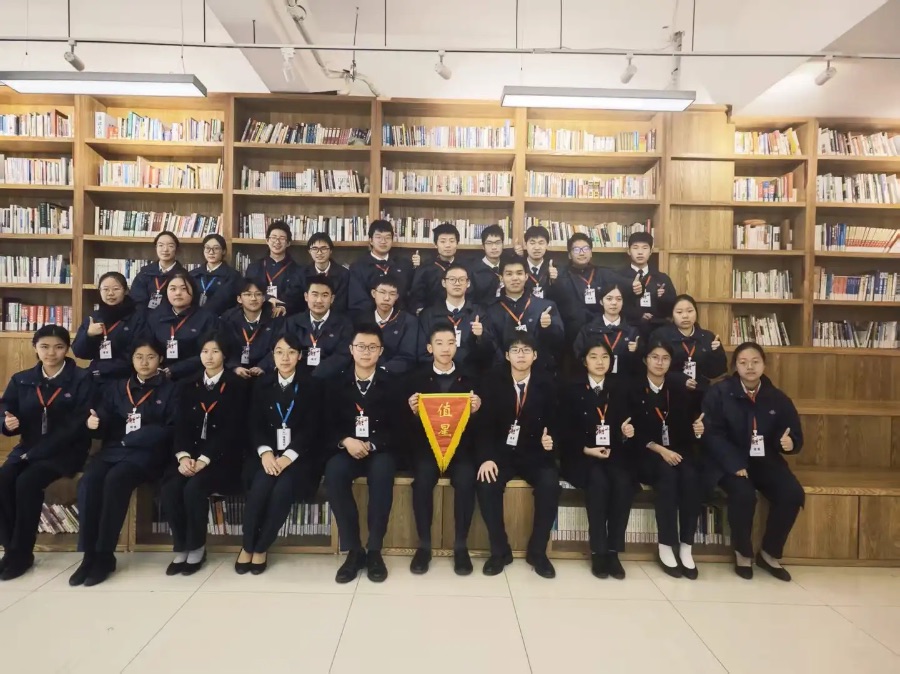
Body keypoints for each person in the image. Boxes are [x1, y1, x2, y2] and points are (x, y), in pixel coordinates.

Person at [70, 339, 179, 587]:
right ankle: (88, 555)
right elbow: (104, 418)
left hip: (148, 454)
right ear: (132, 359)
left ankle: (105, 555)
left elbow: (171, 428)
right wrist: (94, 424)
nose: (144, 362)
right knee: (89, 482)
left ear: (161, 359)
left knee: (115, 480)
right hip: (113, 450)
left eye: (150, 357)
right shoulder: (117, 387)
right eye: (139, 357)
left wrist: (134, 439)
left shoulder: (172, 389)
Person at [702, 342, 804, 582]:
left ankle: (769, 553)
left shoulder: (777, 397)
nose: (749, 367)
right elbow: (711, 433)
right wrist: (733, 463)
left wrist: (789, 443)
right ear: (735, 366)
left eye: (755, 362)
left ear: (764, 365)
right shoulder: (719, 393)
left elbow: (792, 433)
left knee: (792, 493)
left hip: (764, 459)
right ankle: (743, 553)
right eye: (743, 362)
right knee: (743, 494)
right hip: (729, 460)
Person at [0, 326, 93, 580]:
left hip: (66, 451)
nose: (51, 353)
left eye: (58, 347)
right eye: (44, 347)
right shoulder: (22, 379)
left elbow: (76, 424)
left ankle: (22, 553)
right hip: (28, 448)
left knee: (27, 482)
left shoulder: (82, 379)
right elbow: (6, 408)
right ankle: (10, 549)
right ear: (35, 348)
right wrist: (7, 423)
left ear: (67, 349)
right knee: (4, 479)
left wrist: (37, 453)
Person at [161, 332, 247, 576]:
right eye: (205, 351)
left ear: (225, 355)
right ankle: (181, 547)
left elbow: (233, 429)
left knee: (194, 488)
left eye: (215, 351)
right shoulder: (188, 384)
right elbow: (181, 425)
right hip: (191, 456)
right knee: (170, 488)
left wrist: (204, 459)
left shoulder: (237, 385)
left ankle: (197, 547)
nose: (209, 356)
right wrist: (183, 456)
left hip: (223, 458)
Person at [236, 334, 323, 575]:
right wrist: (265, 453)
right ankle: (247, 545)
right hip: (267, 455)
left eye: (291, 352)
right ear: (272, 356)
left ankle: (261, 547)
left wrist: (288, 456)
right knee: (260, 487)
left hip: (299, 457)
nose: (285, 358)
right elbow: (254, 423)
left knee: (282, 490)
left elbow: (312, 428)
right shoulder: (261, 384)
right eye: (279, 352)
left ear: (300, 356)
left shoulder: (312, 385)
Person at [475, 334, 560, 579]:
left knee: (550, 485)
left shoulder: (548, 384)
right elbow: (483, 426)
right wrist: (486, 457)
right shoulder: (492, 382)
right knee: (486, 482)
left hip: (535, 453)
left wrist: (551, 441)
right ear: (507, 355)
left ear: (535, 355)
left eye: (526, 350)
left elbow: (558, 423)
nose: (521, 355)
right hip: (501, 453)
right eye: (515, 350)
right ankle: (499, 550)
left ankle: (538, 552)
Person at [323, 326, 399, 584]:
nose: (366, 352)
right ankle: (354, 550)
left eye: (372, 347)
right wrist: (346, 441)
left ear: (381, 351)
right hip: (347, 447)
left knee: (383, 472)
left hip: (380, 449)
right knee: (334, 472)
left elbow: (400, 427)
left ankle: (374, 550)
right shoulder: (335, 382)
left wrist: (373, 444)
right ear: (351, 349)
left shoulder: (393, 383)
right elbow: (326, 423)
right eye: (361, 347)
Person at [405, 322, 481, 576]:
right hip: (427, 449)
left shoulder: (470, 378)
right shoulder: (416, 378)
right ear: (430, 348)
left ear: (456, 346)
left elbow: (484, 423)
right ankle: (424, 546)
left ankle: (461, 546)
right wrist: (412, 411)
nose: (445, 348)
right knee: (422, 482)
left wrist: (477, 409)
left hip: (461, 449)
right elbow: (403, 424)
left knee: (467, 480)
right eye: (439, 343)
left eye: (450, 343)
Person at [559, 339, 636, 580]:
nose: (600, 362)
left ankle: (613, 551)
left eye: (604, 357)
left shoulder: (620, 387)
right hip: (581, 456)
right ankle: (598, 551)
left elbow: (628, 423)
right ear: (584, 361)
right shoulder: (571, 388)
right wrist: (585, 449)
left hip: (613, 454)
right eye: (593, 356)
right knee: (598, 483)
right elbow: (564, 429)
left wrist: (626, 433)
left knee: (624, 484)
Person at [632, 340, 706, 580]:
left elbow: (686, 428)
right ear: (645, 360)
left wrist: (697, 430)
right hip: (645, 452)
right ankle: (666, 544)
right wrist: (660, 450)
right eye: (654, 357)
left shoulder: (678, 389)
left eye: (665, 358)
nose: (659, 362)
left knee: (691, 477)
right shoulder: (633, 388)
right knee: (667, 476)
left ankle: (686, 546)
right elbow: (631, 432)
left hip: (676, 451)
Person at [482, 256, 564, 376]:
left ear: (526, 276)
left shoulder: (545, 307)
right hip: (501, 374)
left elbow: (558, 343)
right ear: (501, 278)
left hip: (540, 373)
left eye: (519, 273)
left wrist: (548, 327)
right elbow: (489, 347)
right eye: (509, 274)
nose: (515, 278)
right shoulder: (490, 310)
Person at [72, 271, 144, 399]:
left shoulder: (137, 317)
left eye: (116, 289)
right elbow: (79, 352)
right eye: (105, 289)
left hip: (125, 379)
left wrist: (105, 367)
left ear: (126, 291)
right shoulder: (94, 318)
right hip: (96, 378)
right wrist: (89, 335)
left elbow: (137, 353)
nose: (110, 293)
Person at [550, 233, 627, 343]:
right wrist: (551, 280)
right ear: (569, 255)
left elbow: (627, 285)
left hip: (598, 331)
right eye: (576, 249)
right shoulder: (559, 274)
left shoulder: (602, 273)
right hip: (569, 333)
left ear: (591, 252)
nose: (582, 253)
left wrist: (638, 286)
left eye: (586, 249)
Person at [144, 271, 218, 381]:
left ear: (193, 291)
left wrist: (174, 369)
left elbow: (209, 353)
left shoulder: (207, 318)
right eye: (173, 289)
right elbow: (147, 346)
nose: (178, 293)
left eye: (184, 289)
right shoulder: (155, 317)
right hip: (158, 375)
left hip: (195, 376)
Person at [417, 264, 490, 375]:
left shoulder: (479, 313)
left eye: (461, 279)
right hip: (436, 374)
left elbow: (489, 353)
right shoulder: (428, 314)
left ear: (468, 283)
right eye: (452, 279)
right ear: (444, 283)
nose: (457, 283)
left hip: (471, 374)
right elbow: (422, 351)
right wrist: (443, 368)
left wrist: (481, 336)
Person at [276, 274, 352, 379]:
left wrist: (316, 374)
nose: (319, 300)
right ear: (306, 297)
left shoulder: (344, 324)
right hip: (297, 377)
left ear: (332, 299)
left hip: (331, 378)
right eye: (315, 295)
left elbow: (343, 356)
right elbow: (280, 349)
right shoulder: (292, 322)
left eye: (324, 295)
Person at [651, 294, 726, 394]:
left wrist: (717, 352)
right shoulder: (661, 336)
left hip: (700, 392)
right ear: (672, 314)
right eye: (679, 312)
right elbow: (653, 368)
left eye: (690, 311)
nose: (685, 316)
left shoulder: (708, 337)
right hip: (669, 391)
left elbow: (716, 372)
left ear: (696, 312)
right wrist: (681, 380)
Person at [573, 283, 643, 378]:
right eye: (609, 299)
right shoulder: (588, 330)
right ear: (601, 301)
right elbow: (579, 357)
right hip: (595, 379)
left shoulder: (632, 332)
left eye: (619, 299)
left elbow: (639, 364)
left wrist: (637, 351)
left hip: (623, 381)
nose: (614, 303)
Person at [219, 279, 284, 379]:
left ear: (264, 298)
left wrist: (263, 367)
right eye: (248, 294)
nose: (253, 298)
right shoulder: (228, 318)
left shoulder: (275, 318)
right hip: (235, 372)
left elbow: (279, 348)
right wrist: (235, 367)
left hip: (267, 372)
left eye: (258, 294)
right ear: (239, 299)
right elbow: (223, 347)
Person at [617, 232, 676, 338]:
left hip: (657, 329)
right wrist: (638, 315)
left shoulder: (662, 278)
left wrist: (663, 298)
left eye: (645, 248)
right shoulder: (619, 277)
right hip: (628, 329)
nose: (640, 252)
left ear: (651, 251)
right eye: (635, 248)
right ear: (629, 251)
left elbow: (673, 308)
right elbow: (612, 305)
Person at [347, 220, 414, 314]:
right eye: (378, 237)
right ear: (371, 240)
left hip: (400, 317)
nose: (383, 241)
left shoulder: (404, 265)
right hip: (369, 317)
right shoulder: (358, 267)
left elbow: (410, 295)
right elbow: (358, 300)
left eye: (387, 237)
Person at [243, 221, 306, 317]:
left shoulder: (298, 270)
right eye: (273, 237)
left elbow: (296, 296)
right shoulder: (254, 267)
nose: (277, 241)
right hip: (258, 315)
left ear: (288, 243)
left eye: (282, 238)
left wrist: (282, 306)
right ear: (267, 240)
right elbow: (248, 291)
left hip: (286, 317)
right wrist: (266, 298)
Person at [370, 275, 420, 375]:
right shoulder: (361, 319)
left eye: (392, 294)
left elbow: (407, 356)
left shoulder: (409, 321)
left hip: (396, 375)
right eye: (382, 292)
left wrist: (382, 370)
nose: (386, 298)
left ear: (397, 297)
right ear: (373, 293)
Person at [409, 222, 461, 314]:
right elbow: (417, 296)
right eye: (443, 241)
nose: (447, 245)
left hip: (460, 313)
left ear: (457, 243)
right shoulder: (425, 268)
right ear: (435, 244)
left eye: (452, 241)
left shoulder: (465, 267)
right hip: (432, 315)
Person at [129, 231, 185, 312]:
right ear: (156, 248)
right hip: (145, 316)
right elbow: (137, 300)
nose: (165, 249)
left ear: (176, 249)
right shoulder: (145, 272)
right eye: (161, 245)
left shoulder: (183, 275)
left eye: (170, 246)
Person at [189, 233, 242, 316]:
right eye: (207, 248)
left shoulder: (233, 276)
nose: (211, 252)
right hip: (194, 319)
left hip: (221, 320)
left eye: (216, 248)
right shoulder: (193, 274)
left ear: (223, 251)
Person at [300, 232, 349, 314]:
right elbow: (298, 302)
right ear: (309, 251)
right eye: (315, 249)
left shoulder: (344, 274)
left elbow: (341, 304)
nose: (319, 252)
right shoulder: (301, 273)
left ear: (330, 251)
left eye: (324, 248)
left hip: (335, 318)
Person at [467, 224, 506, 306]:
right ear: (483, 246)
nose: (494, 247)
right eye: (489, 243)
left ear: (503, 244)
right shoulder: (473, 271)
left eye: (498, 243)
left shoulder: (508, 267)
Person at [516, 225, 557, 299]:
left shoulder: (554, 268)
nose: (537, 247)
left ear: (547, 245)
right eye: (532, 243)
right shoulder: (518, 267)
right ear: (525, 244)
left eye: (541, 243)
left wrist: (555, 280)